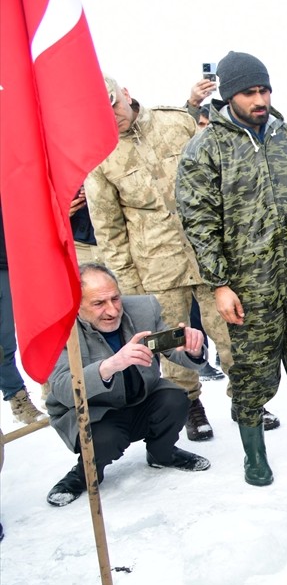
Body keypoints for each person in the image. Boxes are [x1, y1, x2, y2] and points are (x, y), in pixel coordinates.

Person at [177, 50, 287, 487]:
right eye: (249, 92)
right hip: (248, 285)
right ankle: (254, 456)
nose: (259, 99)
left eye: (264, 89)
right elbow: (198, 221)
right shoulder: (207, 147)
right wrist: (219, 283)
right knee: (252, 370)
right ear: (230, 94)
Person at [86, 75, 233, 444]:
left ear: (126, 94)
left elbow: (219, 179)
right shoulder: (98, 153)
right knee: (172, 342)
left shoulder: (176, 121)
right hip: (156, 267)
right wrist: (129, 287)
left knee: (231, 332)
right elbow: (109, 228)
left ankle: (247, 399)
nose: (111, 115)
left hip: (209, 255)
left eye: (113, 104)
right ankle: (190, 405)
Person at [44, 264, 210, 506]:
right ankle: (84, 474)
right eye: (99, 303)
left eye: (115, 298)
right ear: (76, 305)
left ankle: (162, 454)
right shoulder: (61, 327)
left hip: (140, 399)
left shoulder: (144, 308)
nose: (112, 310)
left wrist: (193, 351)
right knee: (105, 439)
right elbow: (63, 390)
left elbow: (174, 351)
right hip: (95, 414)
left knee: (175, 399)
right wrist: (109, 366)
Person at [0, 196, 47, 424]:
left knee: (39, 329)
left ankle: (54, 389)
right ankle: (16, 396)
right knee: (2, 344)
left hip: (16, 261)